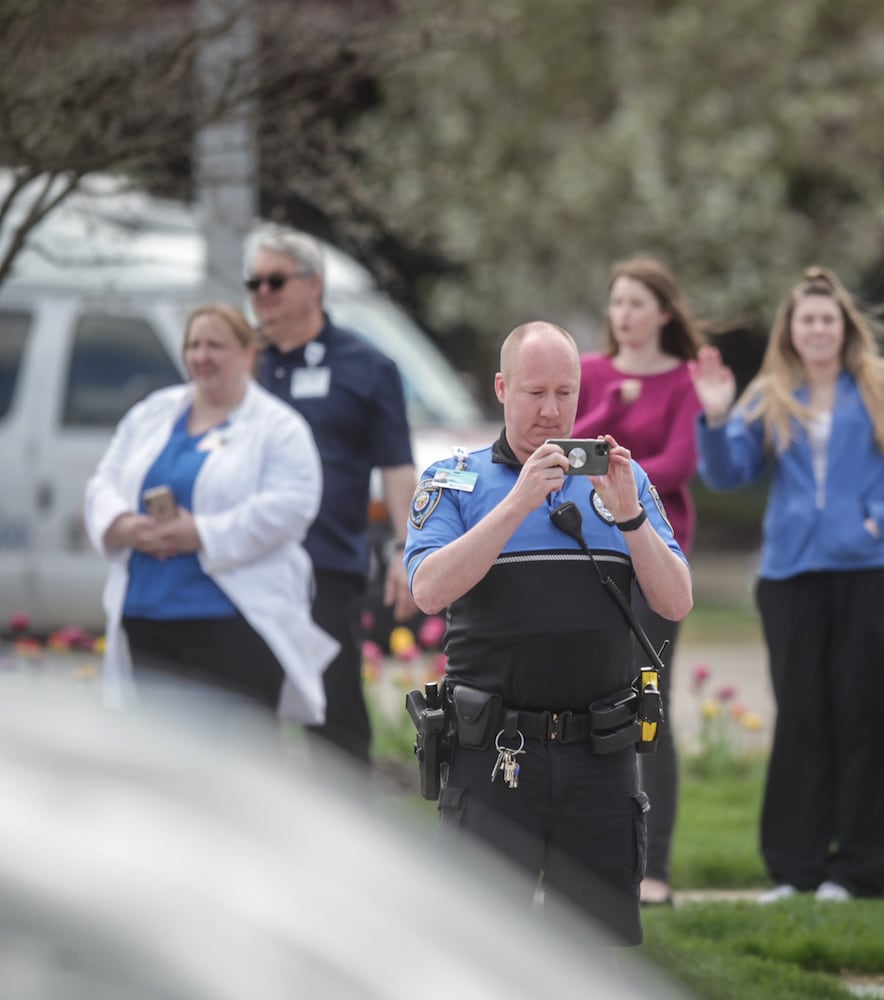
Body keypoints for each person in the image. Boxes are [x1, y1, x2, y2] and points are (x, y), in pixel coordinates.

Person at [405, 321, 693, 946]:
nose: (552, 410)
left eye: (566, 392)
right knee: (477, 947)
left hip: (600, 758)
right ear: (502, 388)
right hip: (495, 757)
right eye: (535, 393)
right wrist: (515, 504)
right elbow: (428, 590)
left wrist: (631, 517)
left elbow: (675, 600)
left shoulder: (621, 480)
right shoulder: (455, 479)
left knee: (591, 954)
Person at [690, 267, 884, 904]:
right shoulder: (768, 394)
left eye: (828, 319)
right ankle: (796, 871)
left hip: (869, 577)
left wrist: (882, 519)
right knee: (802, 721)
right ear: (791, 332)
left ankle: (858, 872)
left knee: (867, 720)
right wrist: (713, 418)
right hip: (790, 578)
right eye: (807, 320)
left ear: (844, 326)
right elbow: (725, 473)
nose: (819, 329)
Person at [84, 304, 338, 721]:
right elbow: (103, 482)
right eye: (194, 345)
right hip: (145, 616)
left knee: (233, 765)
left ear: (247, 354)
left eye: (215, 345)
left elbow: (293, 502)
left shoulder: (279, 427)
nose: (202, 356)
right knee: (158, 760)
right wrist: (124, 525)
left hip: (235, 623)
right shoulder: (152, 413)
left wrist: (201, 533)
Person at [249, 228, 418, 766]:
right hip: (246, 568)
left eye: (275, 280)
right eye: (254, 283)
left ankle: (346, 843)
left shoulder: (368, 367)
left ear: (314, 284)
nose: (262, 293)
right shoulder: (243, 364)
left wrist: (406, 548)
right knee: (246, 720)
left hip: (327, 567)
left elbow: (396, 467)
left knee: (334, 722)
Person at [574, 256, 704, 908]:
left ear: (662, 313)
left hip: (655, 554)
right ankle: (592, 853)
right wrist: (606, 405)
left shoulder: (683, 380)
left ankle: (654, 866)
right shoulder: (593, 376)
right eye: (616, 303)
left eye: (636, 304)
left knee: (651, 706)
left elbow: (679, 465)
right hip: (589, 556)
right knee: (592, 699)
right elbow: (567, 448)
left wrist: (617, 465)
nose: (623, 316)